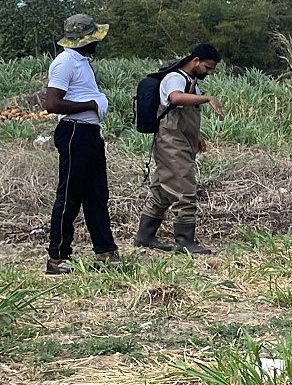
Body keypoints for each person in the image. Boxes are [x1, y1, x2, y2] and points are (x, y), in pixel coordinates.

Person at [44, 14, 120, 275]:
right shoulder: (65, 62)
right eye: (93, 39)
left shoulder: (80, 61)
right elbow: (52, 103)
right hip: (75, 132)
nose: (96, 44)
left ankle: (105, 251)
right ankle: (57, 257)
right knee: (70, 195)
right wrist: (90, 105)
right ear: (83, 40)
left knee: (96, 194)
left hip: (88, 133)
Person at [134, 43, 224, 255]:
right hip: (170, 141)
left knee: (162, 190)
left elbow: (185, 113)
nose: (209, 73)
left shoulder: (191, 81)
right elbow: (176, 98)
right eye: (208, 68)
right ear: (196, 61)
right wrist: (208, 98)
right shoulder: (175, 78)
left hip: (181, 140)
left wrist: (197, 136)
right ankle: (185, 240)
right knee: (184, 187)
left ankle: (144, 237)